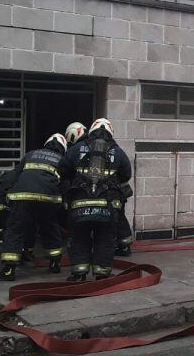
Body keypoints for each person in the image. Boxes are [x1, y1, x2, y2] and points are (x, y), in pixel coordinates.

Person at [59, 118, 133, 281]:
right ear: (111, 133)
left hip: (79, 206)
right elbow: (126, 174)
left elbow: (63, 170)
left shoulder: (76, 148)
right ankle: (102, 274)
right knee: (105, 239)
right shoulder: (117, 151)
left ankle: (79, 273)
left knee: (79, 238)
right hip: (107, 207)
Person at [0, 133, 68, 282]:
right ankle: (54, 264)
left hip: (21, 196)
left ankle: (8, 270)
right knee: (50, 228)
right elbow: (65, 184)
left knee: (15, 230)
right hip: (47, 198)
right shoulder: (62, 160)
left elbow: (14, 176)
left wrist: (3, 198)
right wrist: (63, 205)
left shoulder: (30, 154)